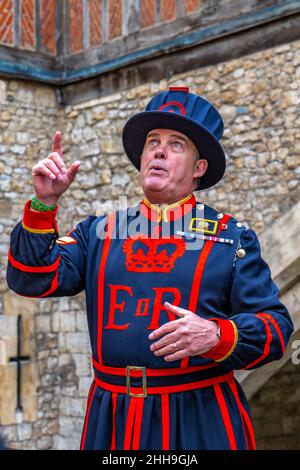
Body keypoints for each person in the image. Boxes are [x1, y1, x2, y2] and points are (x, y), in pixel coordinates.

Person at [6, 87, 294, 450]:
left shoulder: (231, 239)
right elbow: (30, 279)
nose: (158, 149)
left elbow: (276, 328)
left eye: (176, 144)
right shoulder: (98, 233)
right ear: (141, 157)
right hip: (112, 418)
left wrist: (215, 335)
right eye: (152, 141)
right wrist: (43, 204)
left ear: (199, 168)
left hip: (199, 419)